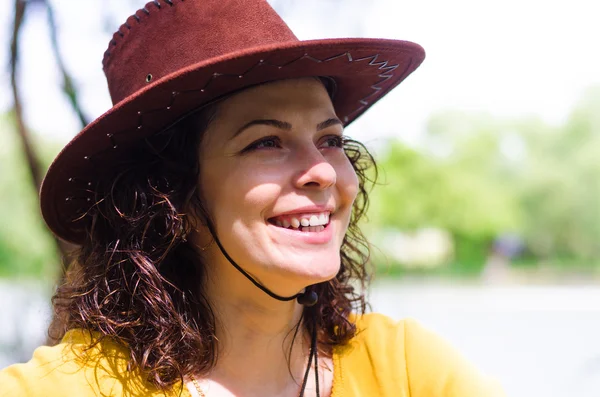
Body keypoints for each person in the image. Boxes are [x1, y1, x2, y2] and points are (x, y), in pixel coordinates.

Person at [0, 0, 505, 396]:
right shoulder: (63, 389)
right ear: (166, 197)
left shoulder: (408, 371)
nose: (321, 172)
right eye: (266, 141)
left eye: (330, 139)